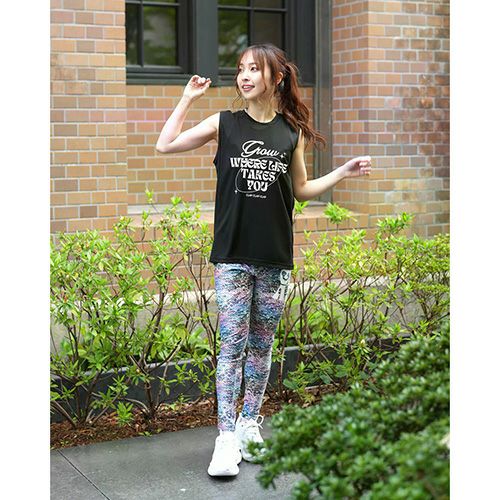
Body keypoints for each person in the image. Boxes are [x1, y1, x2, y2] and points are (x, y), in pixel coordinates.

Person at [155, 43, 372, 477]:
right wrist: (187, 99)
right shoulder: (224, 123)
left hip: (274, 257)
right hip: (233, 255)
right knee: (231, 347)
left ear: (277, 77)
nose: (245, 75)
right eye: (241, 68)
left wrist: (343, 172)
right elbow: (165, 146)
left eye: (255, 69)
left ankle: (249, 425)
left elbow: (301, 191)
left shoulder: (290, 132)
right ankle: (225, 438)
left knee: (261, 347)